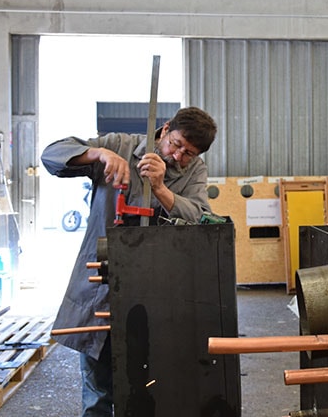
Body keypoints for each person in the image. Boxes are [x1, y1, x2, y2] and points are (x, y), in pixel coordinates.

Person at [41, 106, 217, 417]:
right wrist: (97, 155)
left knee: (146, 389)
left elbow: (201, 218)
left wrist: (161, 189)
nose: (179, 157)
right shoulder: (120, 145)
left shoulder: (194, 171)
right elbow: (52, 156)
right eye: (176, 145)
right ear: (164, 130)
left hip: (156, 296)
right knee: (97, 392)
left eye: (189, 153)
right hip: (101, 292)